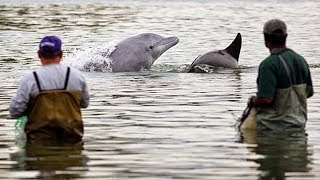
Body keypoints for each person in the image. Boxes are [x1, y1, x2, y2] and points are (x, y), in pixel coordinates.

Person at [9, 35, 90, 142]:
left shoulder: (30, 79)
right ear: (61, 54)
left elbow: (14, 111)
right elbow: (84, 104)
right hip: (72, 139)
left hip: (38, 141)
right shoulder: (77, 76)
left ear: (39, 54)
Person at [248, 19, 313, 131]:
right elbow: (309, 93)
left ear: (266, 39)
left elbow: (266, 100)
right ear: (285, 36)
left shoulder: (268, 64)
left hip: (272, 130)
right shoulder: (301, 60)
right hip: (299, 128)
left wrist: (253, 101)